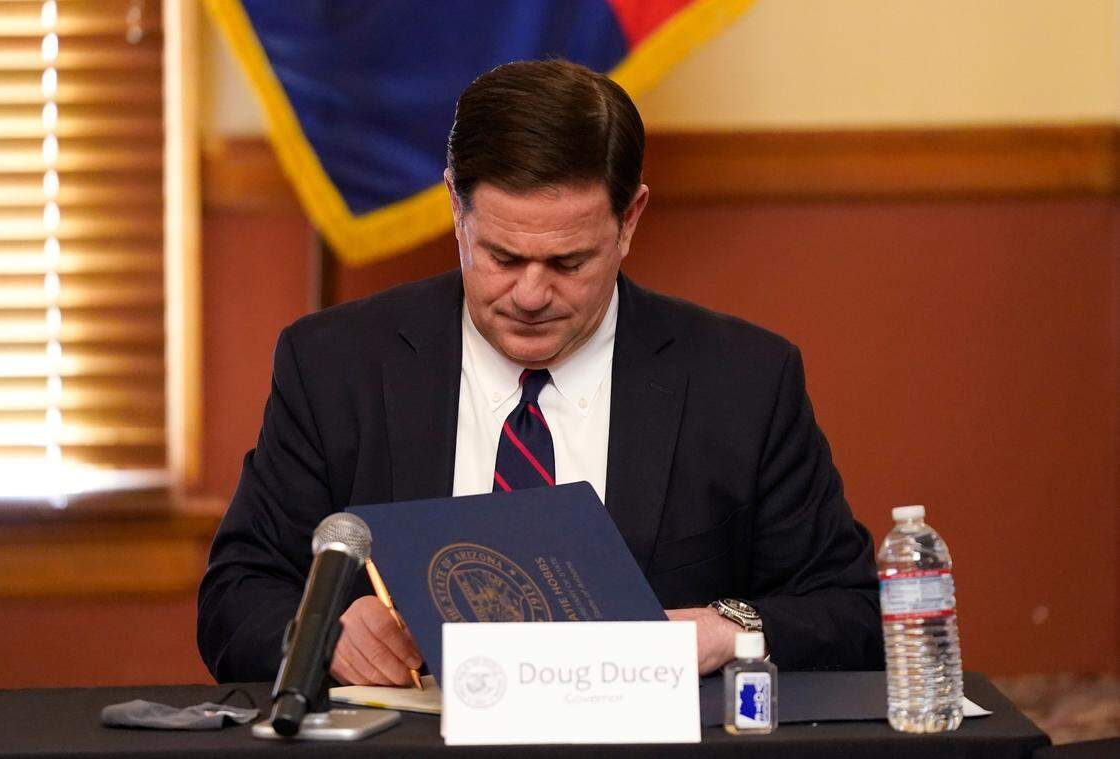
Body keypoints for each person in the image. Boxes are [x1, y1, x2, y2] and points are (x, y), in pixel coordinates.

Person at [197, 59, 884, 686]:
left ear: (629, 220)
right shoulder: (335, 365)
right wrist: (323, 636)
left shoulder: (742, 382)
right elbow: (236, 595)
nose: (530, 294)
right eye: (501, 256)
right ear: (455, 210)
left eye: (567, 263)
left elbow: (851, 612)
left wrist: (725, 631)